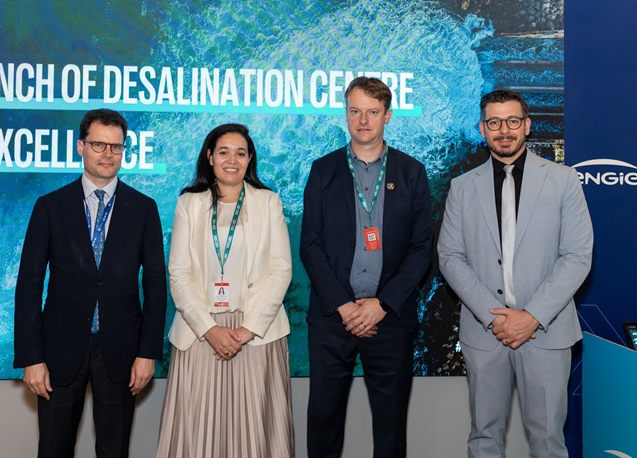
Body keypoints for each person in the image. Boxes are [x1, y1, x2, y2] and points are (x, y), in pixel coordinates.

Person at [438, 89, 593, 457]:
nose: (503, 130)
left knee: (548, 441)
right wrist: (495, 318)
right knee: (483, 439)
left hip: (546, 332)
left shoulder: (563, 180)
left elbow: (577, 256)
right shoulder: (462, 188)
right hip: (485, 332)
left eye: (511, 121)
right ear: (482, 129)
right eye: (494, 122)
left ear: (527, 125)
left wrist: (531, 316)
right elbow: (450, 257)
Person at [13, 108, 167, 457]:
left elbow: (156, 285)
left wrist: (147, 353)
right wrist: (31, 357)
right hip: (58, 349)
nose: (108, 154)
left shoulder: (144, 208)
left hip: (122, 350)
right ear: (81, 146)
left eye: (116, 146)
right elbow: (29, 286)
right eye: (99, 144)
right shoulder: (50, 206)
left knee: (114, 451)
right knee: (53, 448)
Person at [300, 77, 433, 457]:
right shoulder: (323, 170)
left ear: (387, 116)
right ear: (345, 114)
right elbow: (310, 245)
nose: (363, 120)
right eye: (355, 111)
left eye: (372, 112)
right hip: (332, 319)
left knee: (390, 427)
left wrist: (382, 304)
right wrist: (344, 306)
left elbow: (422, 249)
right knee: (323, 421)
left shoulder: (411, 172)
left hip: (390, 319)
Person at [156, 123, 294, 457]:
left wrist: (246, 331)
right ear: (209, 157)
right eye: (224, 152)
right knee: (199, 436)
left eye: (240, 153)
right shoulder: (188, 203)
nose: (232, 160)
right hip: (201, 335)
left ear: (249, 159)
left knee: (256, 435)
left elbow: (281, 270)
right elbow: (178, 274)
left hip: (256, 335)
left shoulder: (269, 202)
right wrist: (210, 329)